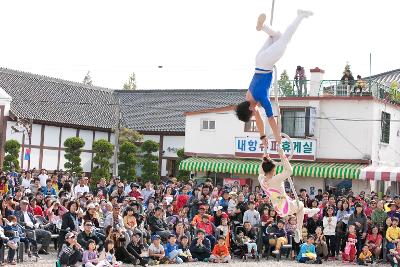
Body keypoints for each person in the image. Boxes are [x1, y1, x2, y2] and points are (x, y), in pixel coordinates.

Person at [235, 10, 313, 145]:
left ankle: (300, 15)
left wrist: (278, 141)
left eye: (252, 113)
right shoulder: (248, 97)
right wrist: (262, 136)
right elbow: (259, 117)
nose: (254, 113)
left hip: (266, 64)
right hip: (259, 61)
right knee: (277, 36)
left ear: (249, 109)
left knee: (285, 40)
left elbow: (272, 120)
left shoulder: (261, 98)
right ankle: (263, 26)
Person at [258, 147, 319, 242]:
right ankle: (298, 229)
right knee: (301, 205)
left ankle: (309, 212)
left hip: (279, 206)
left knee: (300, 208)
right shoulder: (275, 179)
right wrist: (282, 155)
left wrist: (264, 160)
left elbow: (261, 171)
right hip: (285, 205)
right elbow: (289, 171)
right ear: (273, 170)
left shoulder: (261, 180)